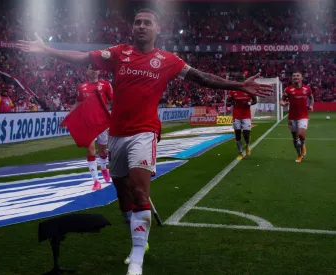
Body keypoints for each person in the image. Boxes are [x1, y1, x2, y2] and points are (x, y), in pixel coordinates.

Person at [15, 8, 272, 275]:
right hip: (116, 135)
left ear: (156, 29)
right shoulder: (119, 53)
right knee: (123, 196)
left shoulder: (168, 60)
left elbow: (202, 77)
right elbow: (83, 58)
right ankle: (139, 241)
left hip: (144, 132)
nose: (141, 26)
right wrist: (47, 50)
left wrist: (239, 85)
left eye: (147, 23)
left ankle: (136, 260)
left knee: (139, 193)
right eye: (137, 22)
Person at [74, 64, 113, 190]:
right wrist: (70, 116)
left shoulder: (106, 85)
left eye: (96, 69)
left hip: (101, 122)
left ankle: (103, 168)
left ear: (99, 71)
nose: (94, 71)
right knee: (90, 149)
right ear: (87, 71)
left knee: (103, 150)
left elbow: (113, 101)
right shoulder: (81, 87)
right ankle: (96, 181)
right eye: (91, 69)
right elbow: (78, 103)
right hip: (88, 122)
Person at [280, 71, 313, 163]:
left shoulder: (307, 89)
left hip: (303, 116)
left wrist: (311, 105)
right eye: (294, 76)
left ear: (301, 78)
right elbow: (281, 101)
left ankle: (303, 145)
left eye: (298, 76)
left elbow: (311, 97)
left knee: (300, 134)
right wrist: (283, 103)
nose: (295, 77)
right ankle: (299, 155)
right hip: (292, 117)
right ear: (292, 78)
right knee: (295, 137)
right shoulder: (288, 89)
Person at [226, 74, 257, 160]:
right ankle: (240, 153)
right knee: (238, 134)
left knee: (246, 134)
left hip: (246, 115)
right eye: (238, 80)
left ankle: (247, 146)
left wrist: (249, 103)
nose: (240, 81)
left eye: (241, 80)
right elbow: (228, 101)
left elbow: (255, 100)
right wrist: (231, 102)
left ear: (244, 80)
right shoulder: (233, 91)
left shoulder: (249, 90)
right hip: (236, 115)